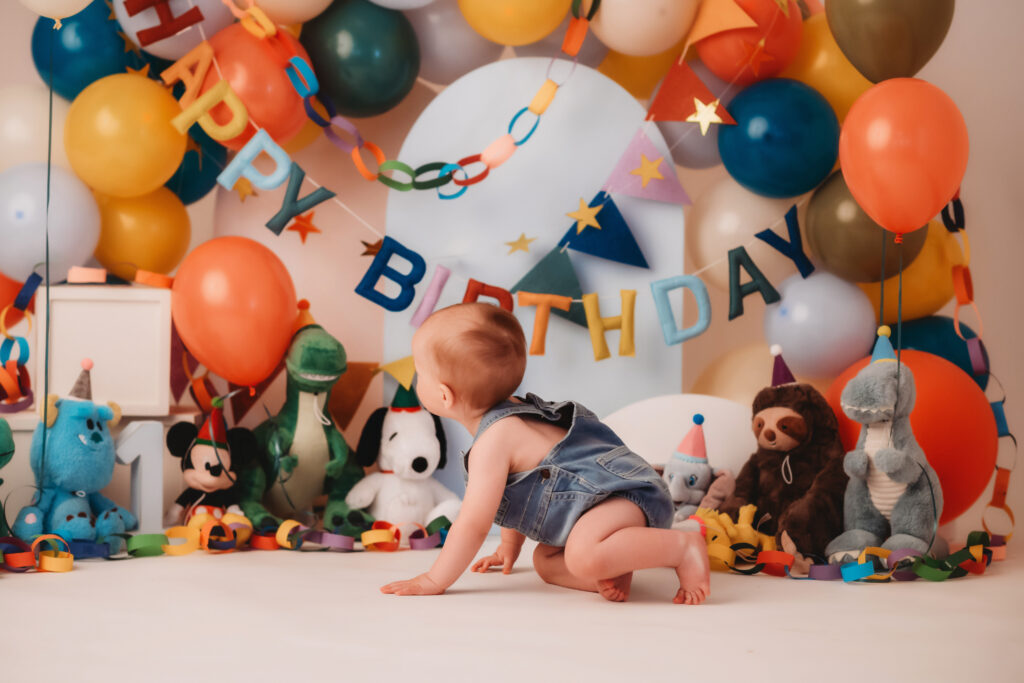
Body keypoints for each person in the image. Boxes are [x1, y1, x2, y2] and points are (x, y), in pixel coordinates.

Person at [380, 303, 710, 604]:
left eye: (419, 372)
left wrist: (434, 579)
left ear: (444, 395)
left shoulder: (493, 442)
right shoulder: (515, 415)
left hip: (623, 498)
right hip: (592, 512)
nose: (415, 378)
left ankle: (683, 548)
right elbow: (522, 490)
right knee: (546, 562)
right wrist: (508, 547)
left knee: (581, 555)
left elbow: (472, 524)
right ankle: (610, 570)